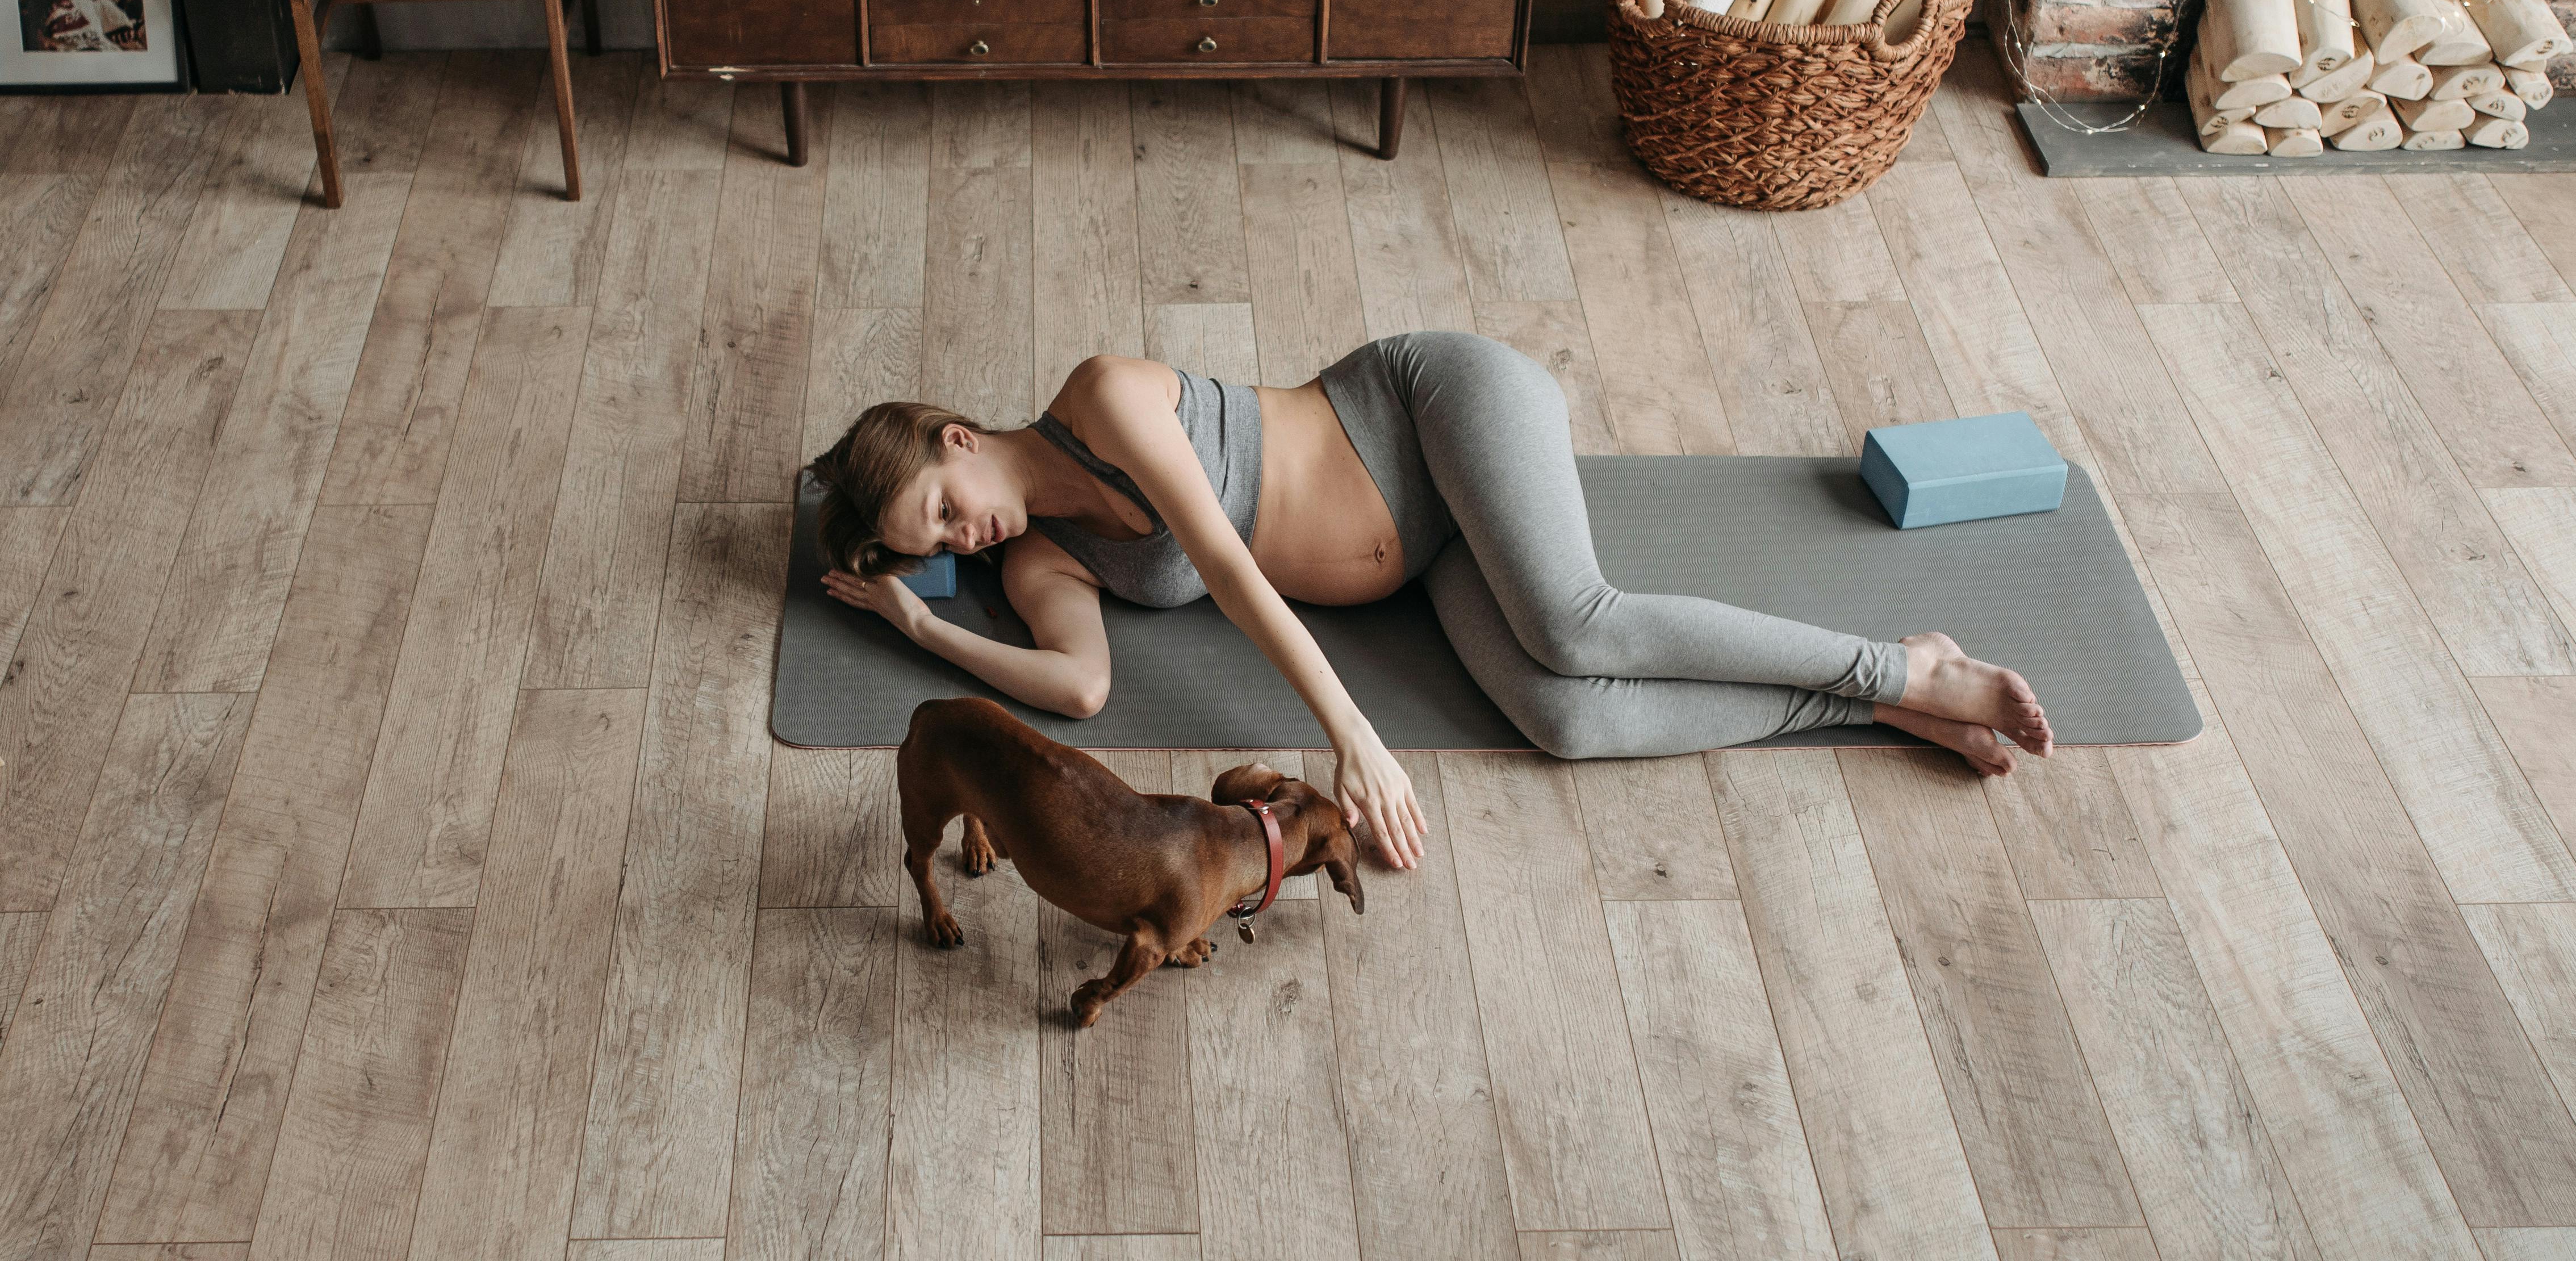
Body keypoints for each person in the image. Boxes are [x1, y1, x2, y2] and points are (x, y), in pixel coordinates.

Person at [814, 331, 2054, 869]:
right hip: (1429, 558)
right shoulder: (1037, 565)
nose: (960, 538)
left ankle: (1903, 671)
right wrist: (925, 625)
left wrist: (1352, 737)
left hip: (1428, 412)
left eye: (937, 507)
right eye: (931, 545)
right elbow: (1079, 688)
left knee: (1576, 623)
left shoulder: (1104, 401)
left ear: (957, 438)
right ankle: (1864, 713)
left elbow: (1235, 572)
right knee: (1563, 720)